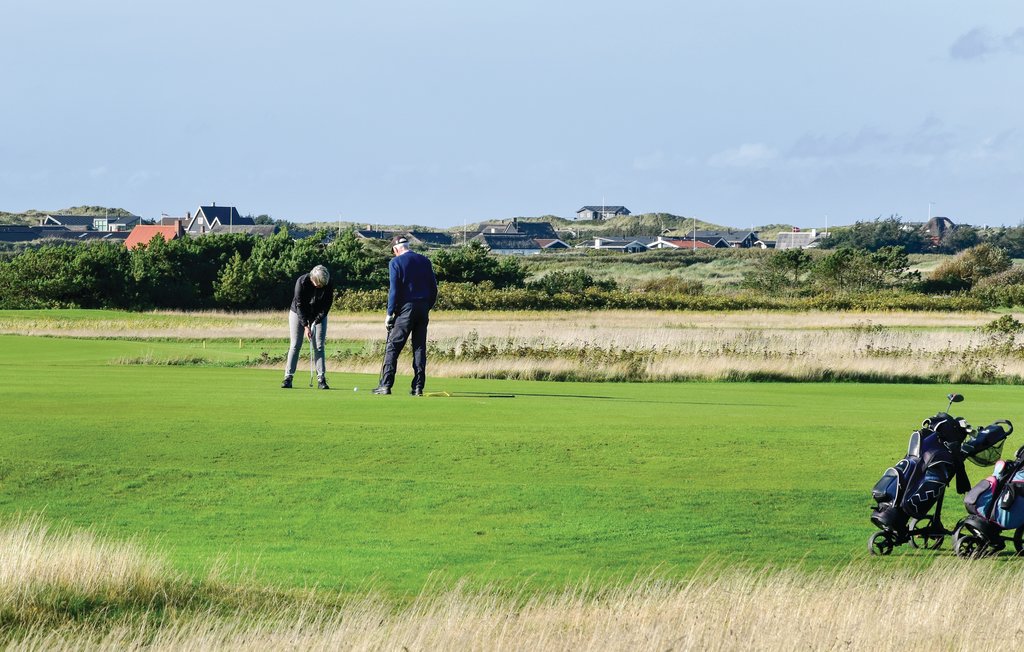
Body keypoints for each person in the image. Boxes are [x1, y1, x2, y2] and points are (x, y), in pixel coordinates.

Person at [372, 236, 438, 395]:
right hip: (423, 308)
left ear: (396, 249)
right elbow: (434, 289)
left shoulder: (395, 263)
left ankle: (386, 384)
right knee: (419, 347)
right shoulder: (425, 260)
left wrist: (389, 313)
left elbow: (394, 290)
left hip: (406, 309)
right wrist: (427, 306)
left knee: (393, 346)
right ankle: (418, 387)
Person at [282, 264, 333, 389]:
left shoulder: (328, 284)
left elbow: (326, 306)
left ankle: (321, 379)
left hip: (318, 314)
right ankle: (288, 377)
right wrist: (306, 326)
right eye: (319, 284)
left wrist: (315, 322)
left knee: (319, 346)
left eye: (323, 285)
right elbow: (299, 305)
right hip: (298, 313)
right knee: (295, 345)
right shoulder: (302, 282)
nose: (321, 287)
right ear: (313, 279)